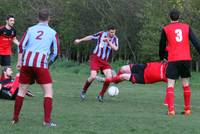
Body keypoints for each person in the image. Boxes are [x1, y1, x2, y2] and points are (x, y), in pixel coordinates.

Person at [11, 9, 60, 127]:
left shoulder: (30, 29)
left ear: (38, 18)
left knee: (21, 91)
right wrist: (48, 64)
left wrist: (19, 61)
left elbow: (21, 46)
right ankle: (46, 121)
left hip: (27, 63)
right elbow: (56, 53)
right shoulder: (53, 32)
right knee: (48, 92)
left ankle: (15, 119)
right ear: (49, 19)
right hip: (41, 64)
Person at [159, 9, 200, 116]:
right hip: (186, 59)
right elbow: (195, 41)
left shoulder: (166, 29)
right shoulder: (186, 27)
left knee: (170, 84)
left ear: (170, 18)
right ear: (179, 17)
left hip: (173, 59)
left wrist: (162, 56)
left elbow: (162, 45)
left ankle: (171, 110)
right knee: (185, 84)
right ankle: (187, 109)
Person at [74, 25, 119, 102]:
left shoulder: (115, 39)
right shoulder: (101, 34)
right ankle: (84, 91)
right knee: (93, 76)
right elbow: (91, 37)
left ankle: (100, 95)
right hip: (95, 58)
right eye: (111, 32)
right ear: (108, 31)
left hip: (104, 61)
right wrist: (80, 40)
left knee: (109, 79)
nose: (112, 34)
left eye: (114, 32)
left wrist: (108, 41)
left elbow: (116, 48)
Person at [96, 61, 168, 99]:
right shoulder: (170, 62)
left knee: (123, 76)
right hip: (144, 67)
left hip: (143, 78)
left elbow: (170, 87)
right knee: (123, 69)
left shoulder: (169, 77)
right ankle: (115, 80)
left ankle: (106, 80)